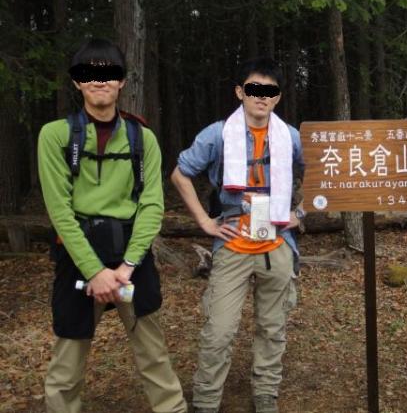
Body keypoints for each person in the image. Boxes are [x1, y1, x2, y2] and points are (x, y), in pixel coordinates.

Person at [39, 38, 187, 413]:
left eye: (109, 73)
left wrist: (127, 266)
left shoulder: (142, 137)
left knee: (153, 353)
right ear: (77, 81)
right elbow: (60, 211)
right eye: (89, 73)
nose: (99, 80)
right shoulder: (55, 136)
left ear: (121, 81)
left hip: (131, 259)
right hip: (78, 258)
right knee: (68, 357)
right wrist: (95, 271)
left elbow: (152, 204)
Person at [171, 57, 304, 413]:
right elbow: (181, 174)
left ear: (277, 97)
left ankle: (266, 394)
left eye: (269, 91)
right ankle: (206, 400)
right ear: (240, 92)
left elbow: (322, 172)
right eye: (254, 89)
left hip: (277, 242)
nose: (261, 97)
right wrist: (205, 221)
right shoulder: (218, 134)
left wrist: (301, 212)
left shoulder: (290, 137)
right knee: (219, 330)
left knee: (272, 327)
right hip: (233, 241)